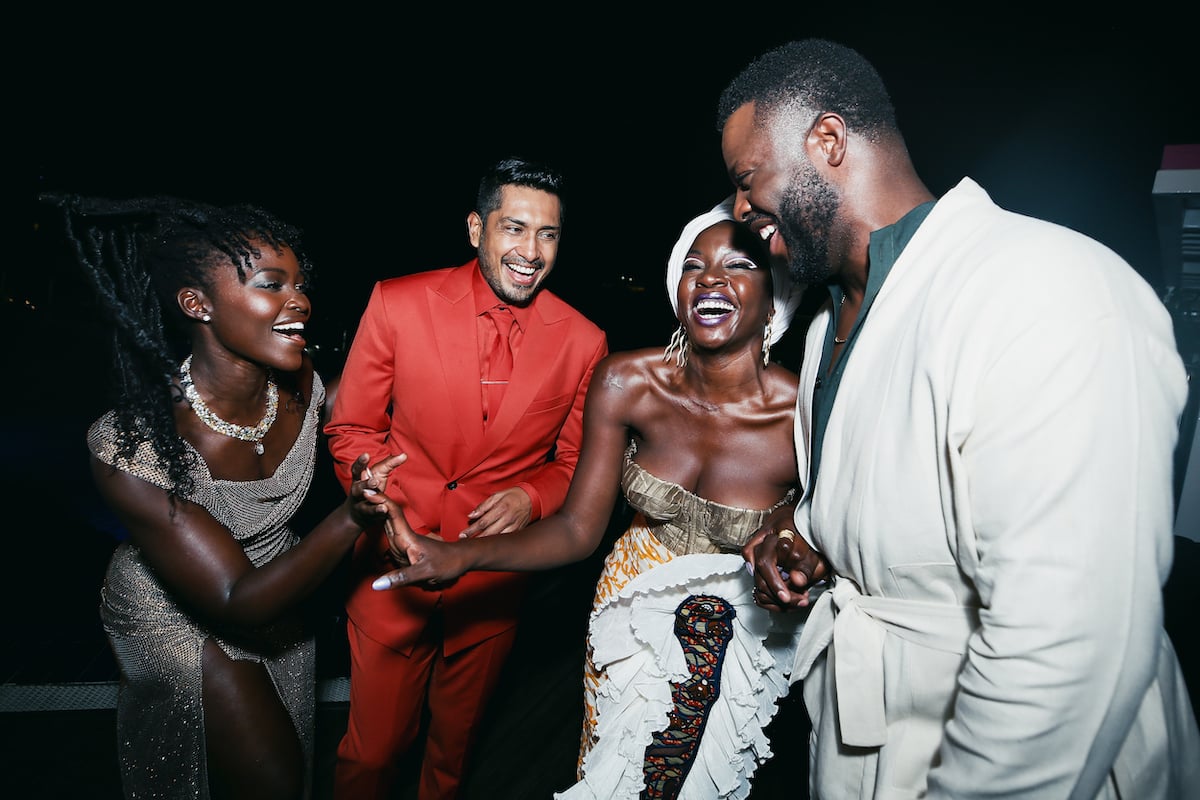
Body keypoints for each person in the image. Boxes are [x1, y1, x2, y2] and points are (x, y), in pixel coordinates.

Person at [721, 38, 1200, 799]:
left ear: (828, 140)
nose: (740, 211)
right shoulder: (824, 329)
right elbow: (883, 497)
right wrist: (815, 541)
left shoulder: (1044, 286)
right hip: (869, 737)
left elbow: (1063, 652)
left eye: (747, 181)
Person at [369, 198, 808, 799]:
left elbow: (823, 526)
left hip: (744, 623)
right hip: (629, 606)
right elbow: (578, 527)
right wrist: (460, 555)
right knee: (614, 772)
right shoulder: (627, 381)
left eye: (738, 265)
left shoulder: (804, 412)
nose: (710, 278)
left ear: (775, 295)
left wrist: (791, 529)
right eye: (694, 265)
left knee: (705, 781)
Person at [39, 193, 405, 800]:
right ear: (197, 304)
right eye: (272, 284)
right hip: (180, 611)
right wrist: (352, 517)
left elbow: (383, 385)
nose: (301, 301)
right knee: (274, 775)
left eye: (300, 284)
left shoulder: (300, 383)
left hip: (284, 588)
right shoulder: (133, 444)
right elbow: (237, 600)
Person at [323, 156, 609, 800]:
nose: (530, 251)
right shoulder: (396, 303)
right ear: (477, 228)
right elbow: (351, 431)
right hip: (390, 574)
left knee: (451, 762)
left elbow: (573, 465)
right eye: (514, 228)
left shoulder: (584, 342)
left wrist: (533, 497)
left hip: (488, 590)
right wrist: (378, 499)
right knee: (371, 758)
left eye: (549, 235)